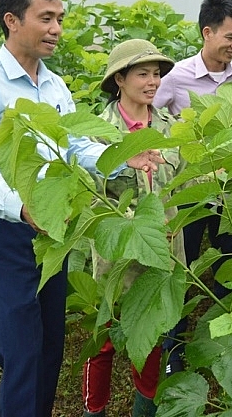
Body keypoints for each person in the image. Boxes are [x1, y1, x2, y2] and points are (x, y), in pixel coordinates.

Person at [0, 0, 163, 417]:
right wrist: (20, 206)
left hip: (53, 227)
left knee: (49, 347)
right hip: (8, 227)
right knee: (22, 352)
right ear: (11, 20)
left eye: (60, 19)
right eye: (45, 18)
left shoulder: (54, 85)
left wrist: (127, 157)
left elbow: (76, 146)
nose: (57, 30)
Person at [153, 0, 232, 373]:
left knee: (231, 263)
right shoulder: (176, 77)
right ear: (207, 32)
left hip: (228, 192)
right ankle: (175, 350)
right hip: (189, 191)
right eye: (230, 37)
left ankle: (224, 340)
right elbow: (152, 121)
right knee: (182, 268)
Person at [81, 39, 185, 417]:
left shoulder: (170, 128)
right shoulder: (98, 134)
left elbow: (183, 186)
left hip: (163, 252)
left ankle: (145, 410)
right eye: (143, 73)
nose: (153, 81)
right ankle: (94, 411)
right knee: (105, 339)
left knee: (154, 338)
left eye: (157, 74)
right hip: (117, 257)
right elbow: (90, 194)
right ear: (120, 80)